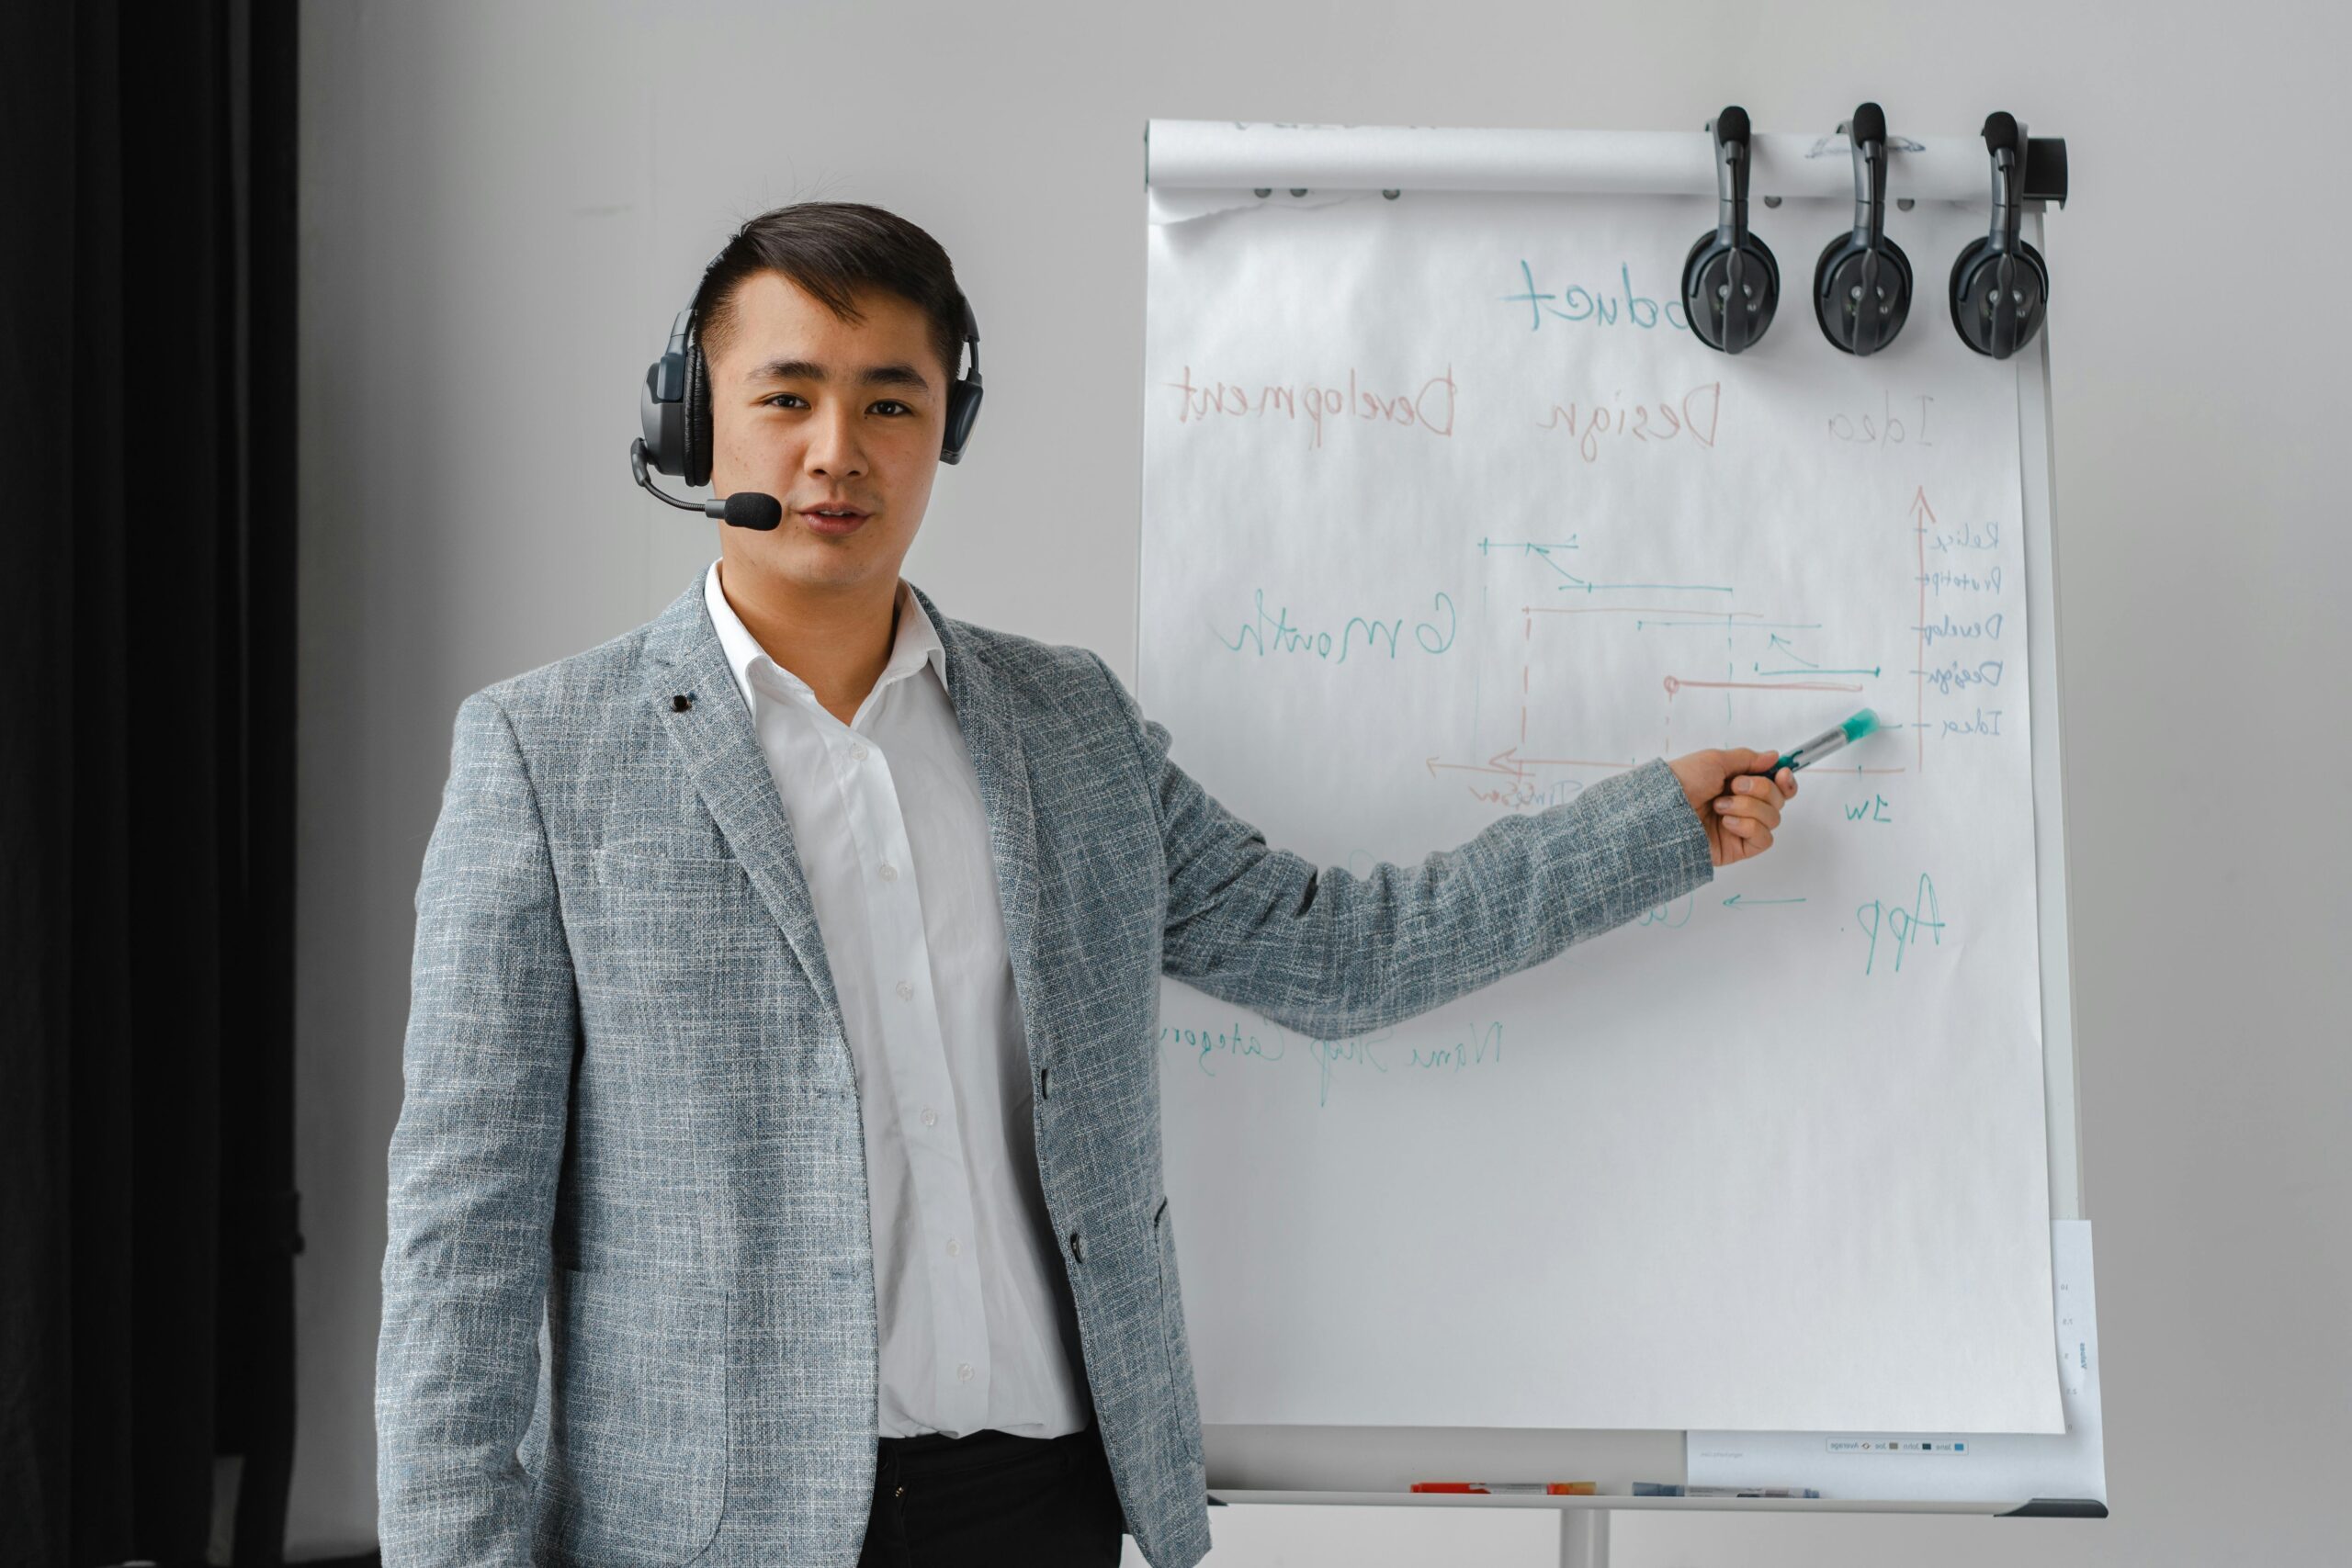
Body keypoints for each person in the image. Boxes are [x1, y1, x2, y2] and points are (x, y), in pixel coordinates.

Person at [373, 201, 1798, 1568]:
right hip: (699, 1535)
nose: (836, 453)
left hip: (1041, 1504)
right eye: (787, 396)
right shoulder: (545, 756)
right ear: (693, 418)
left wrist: (1652, 830)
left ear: (949, 426)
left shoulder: (1069, 729)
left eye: (889, 402)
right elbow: (464, 1236)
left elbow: (1338, 952)